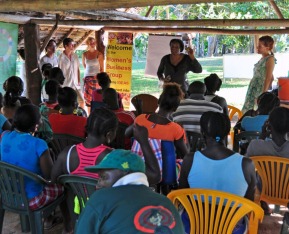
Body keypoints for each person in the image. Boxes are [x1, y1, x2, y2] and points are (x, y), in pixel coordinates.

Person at [179, 111, 256, 233]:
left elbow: (182, 193)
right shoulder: (246, 164)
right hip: (231, 229)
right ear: (227, 134)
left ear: (202, 133)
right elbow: (249, 201)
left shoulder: (190, 160)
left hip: (195, 226)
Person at [75, 149, 184, 234]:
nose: (98, 185)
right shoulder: (166, 202)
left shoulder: (100, 199)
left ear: (124, 172)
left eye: (103, 177)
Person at [0, 104, 71, 233]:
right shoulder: (39, 144)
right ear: (35, 126)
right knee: (64, 187)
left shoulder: (4, 137)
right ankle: (68, 227)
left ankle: (40, 221)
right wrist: (52, 156)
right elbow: (49, 176)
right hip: (31, 199)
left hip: (9, 195)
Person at [133, 82, 189, 159]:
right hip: (163, 168)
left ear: (158, 101)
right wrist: (184, 132)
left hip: (138, 166)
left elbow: (127, 133)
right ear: (175, 108)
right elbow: (185, 154)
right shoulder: (177, 129)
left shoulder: (141, 119)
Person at [242, 35, 276, 113]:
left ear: (267, 48)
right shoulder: (262, 59)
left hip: (259, 90)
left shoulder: (270, 59)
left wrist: (263, 95)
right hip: (253, 88)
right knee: (248, 111)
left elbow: (269, 78)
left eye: (260, 46)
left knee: (256, 111)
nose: (257, 47)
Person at [58, 38, 84, 109]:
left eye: (73, 44)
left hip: (75, 84)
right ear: (66, 46)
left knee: (81, 101)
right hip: (66, 84)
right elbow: (60, 71)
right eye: (71, 45)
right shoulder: (61, 57)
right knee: (70, 103)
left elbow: (78, 68)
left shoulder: (75, 56)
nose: (73, 46)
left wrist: (78, 80)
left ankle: (82, 115)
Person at [82, 37, 104, 109]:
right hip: (88, 78)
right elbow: (84, 66)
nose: (92, 44)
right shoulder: (84, 54)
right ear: (88, 44)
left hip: (96, 78)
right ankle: (89, 116)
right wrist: (86, 76)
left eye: (94, 42)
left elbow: (101, 68)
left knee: (96, 98)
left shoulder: (99, 54)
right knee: (88, 100)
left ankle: (96, 114)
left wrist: (101, 80)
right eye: (91, 43)